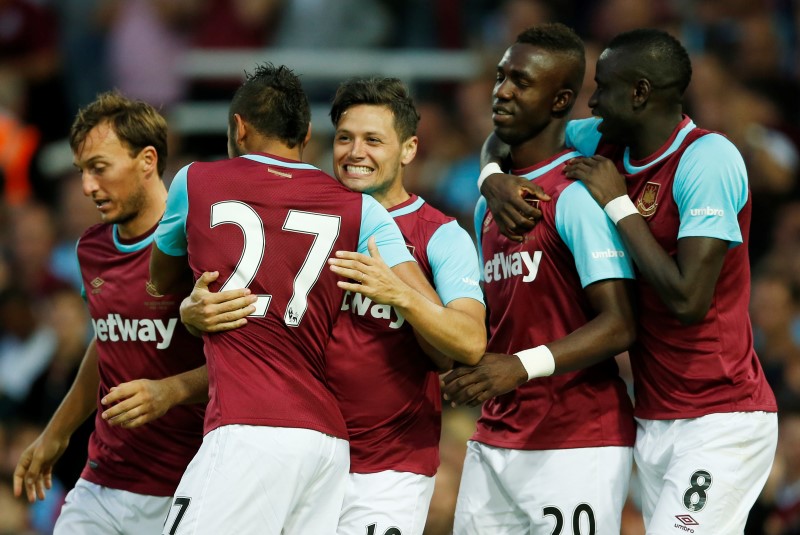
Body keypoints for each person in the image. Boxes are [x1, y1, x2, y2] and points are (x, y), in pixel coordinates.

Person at [480, 28, 779, 534]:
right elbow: (511, 133)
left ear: (639, 93)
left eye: (603, 88)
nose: (591, 102)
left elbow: (687, 299)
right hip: (654, 415)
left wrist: (619, 205)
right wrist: (492, 180)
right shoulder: (605, 140)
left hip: (722, 417)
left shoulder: (707, 160)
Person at [148, 64, 449, 535]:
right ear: (307, 135)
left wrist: (192, 306)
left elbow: (160, 279)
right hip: (327, 447)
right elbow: (433, 315)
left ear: (238, 128)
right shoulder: (361, 208)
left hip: (249, 427)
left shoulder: (196, 181)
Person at [440, 23, 638, 534]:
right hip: (497, 434)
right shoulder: (490, 200)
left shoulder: (575, 195)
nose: (502, 90)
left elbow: (620, 324)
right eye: (502, 76)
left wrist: (519, 367)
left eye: (521, 82)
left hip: (576, 440)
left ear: (562, 100)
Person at [12, 91, 208, 535]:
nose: (86, 187)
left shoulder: (201, 245)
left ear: (147, 160)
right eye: (82, 172)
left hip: (185, 485)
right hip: (102, 480)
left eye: (99, 168)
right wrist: (56, 433)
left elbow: (248, 363)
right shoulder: (92, 248)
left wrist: (170, 391)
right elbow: (108, 342)